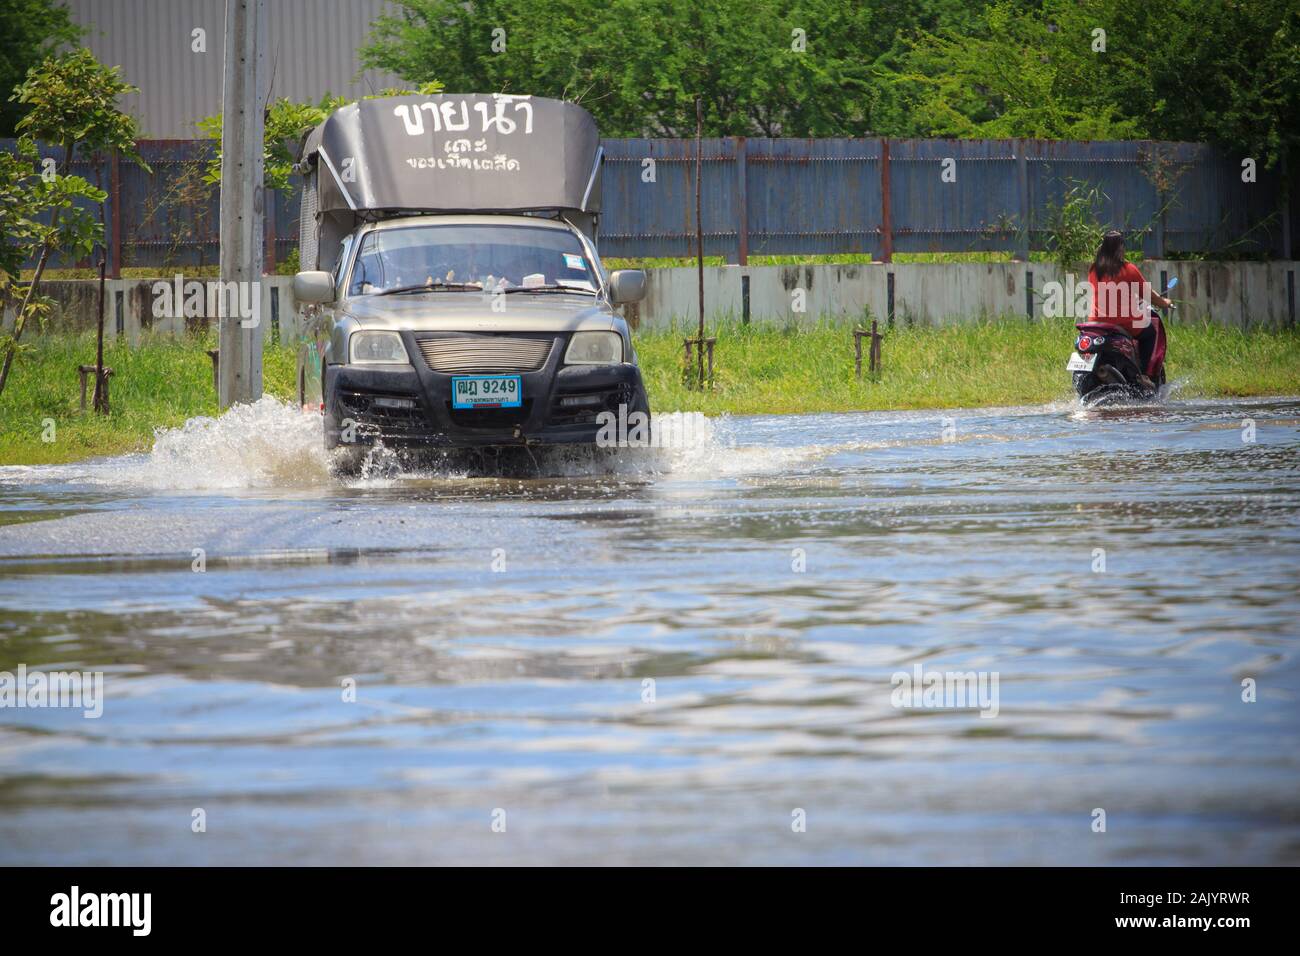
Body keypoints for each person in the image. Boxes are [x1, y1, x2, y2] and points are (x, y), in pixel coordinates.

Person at [1087, 230, 1172, 384]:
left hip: (1096, 323)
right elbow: (1148, 294)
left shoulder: (1094, 269)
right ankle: (1144, 376)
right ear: (1120, 248)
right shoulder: (1128, 269)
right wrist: (1164, 302)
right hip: (1121, 322)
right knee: (1150, 333)